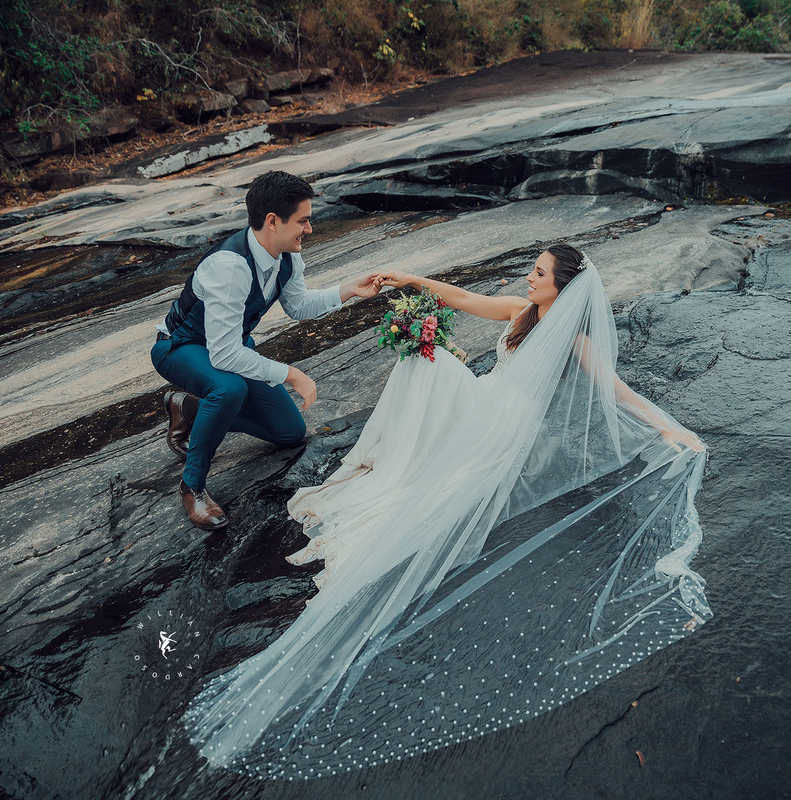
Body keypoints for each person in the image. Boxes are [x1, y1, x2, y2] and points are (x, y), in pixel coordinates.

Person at [183, 244, 711, 779]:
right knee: (423, 358)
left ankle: (409, 460)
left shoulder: (572, 338)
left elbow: (612, 388)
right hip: (484, 401)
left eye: (540, 274)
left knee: (429, 368)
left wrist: (666, 425)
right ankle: (397, 456)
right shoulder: (519, 312)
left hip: (503, 427)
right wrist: (410, 277)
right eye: (532, 270)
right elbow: (461, 297)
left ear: (564, 286)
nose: (529, 278)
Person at [151, 170, 381, 531]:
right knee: (229, 388)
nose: (309, 229)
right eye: (303, 221)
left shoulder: (286, 255)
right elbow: (225, 357)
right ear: (272, 221)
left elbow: (298, 306)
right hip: (180, 347)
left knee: (289, 432)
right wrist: (291, 374)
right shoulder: (230, 266)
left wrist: (347, 289)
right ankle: (192, 486)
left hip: (227, 347)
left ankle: (188, 408)